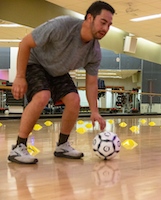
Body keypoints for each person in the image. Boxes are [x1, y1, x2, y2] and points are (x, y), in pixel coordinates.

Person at [8, 1, 115, 164]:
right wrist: (20, 76)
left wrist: (94, 111)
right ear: (89, 18)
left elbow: (92, 83)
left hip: (57, 71)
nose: (106, 29)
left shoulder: (95, 51)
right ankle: (18, 147)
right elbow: (25, 43)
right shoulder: (62, 25)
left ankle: (62, 145)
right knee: (43, 96)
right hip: (34, 63)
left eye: (109, 25)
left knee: (74, 100)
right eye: (103, 22)